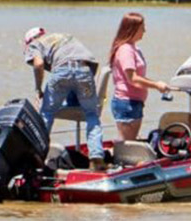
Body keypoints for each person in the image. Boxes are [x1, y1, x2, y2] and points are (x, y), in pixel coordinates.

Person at [23, 27, 107, 170]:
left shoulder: (35, 44)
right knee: (91, 114)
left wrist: (38, 88)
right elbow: (89, 62)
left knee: (47, 113)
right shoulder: (64, 36)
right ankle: (96, 158)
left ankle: (37, 155)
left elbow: (38, 64)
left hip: (61, 72)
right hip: (85, 71)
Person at [108, 13, 170, 141]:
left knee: (129, 142)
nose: (145, 31)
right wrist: (157, 85)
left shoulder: (134, 48)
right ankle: (112, 159)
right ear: (133, 29)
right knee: (127, 144)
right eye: (142, 28)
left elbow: (138, 76)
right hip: (127, 102)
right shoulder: (126, 50)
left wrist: (157, 83)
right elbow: (133, 79)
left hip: (133, 102)